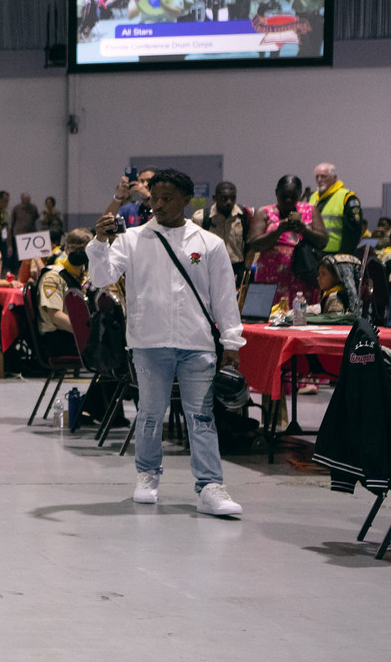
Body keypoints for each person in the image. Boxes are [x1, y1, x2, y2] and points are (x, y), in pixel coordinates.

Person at [87, 168, 244, 517]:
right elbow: (101, 277)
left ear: (187, 201)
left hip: (197, 342)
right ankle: (147, 475)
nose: (157, 205)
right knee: (149, 414)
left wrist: (231, 341)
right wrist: (99, 243)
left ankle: (209, 487)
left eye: (167, 198)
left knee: (201, 416)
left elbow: (223, 298)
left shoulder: (210, 244)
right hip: (149, 341)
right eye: (154, 198)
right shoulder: (132, 240)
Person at [243, 174, 327, 313]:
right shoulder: (264, 212)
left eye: (293, 197)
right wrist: (278, 230)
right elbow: (255, 243)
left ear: (300, 194)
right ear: (276, 193)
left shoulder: (310, 211)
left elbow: (323, 241)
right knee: (268, 321)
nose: (288, 200)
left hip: (302, 279)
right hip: (270, 280)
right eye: (283, 196)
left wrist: (303, 230)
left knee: (302, 320)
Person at [36, 228, 91, 361]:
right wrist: (87, 333)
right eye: (73, 248)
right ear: (66, 249)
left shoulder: (85, 276)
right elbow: (55, 316)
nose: (78, 252)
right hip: (58, 337)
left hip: (75, 332)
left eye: (82, 248)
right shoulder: (53, 277)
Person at [192, 182, 247, 281]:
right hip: (210, 268)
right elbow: (193, 246)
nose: (229, 202)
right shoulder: (202, 218)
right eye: (224, 198)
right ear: (215, 198)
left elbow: (249, 246)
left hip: (236, 268)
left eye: (233, 198)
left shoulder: (243, 216)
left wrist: (245, 269)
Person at [311, 163, 365, 259]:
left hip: (336, 255)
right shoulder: (313, 197)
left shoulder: (347, 197)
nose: (319, 180)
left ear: (334, 178)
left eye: (323, 176)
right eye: (317, 177)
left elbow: (353, 232)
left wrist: (343, 256)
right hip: (313, 255)